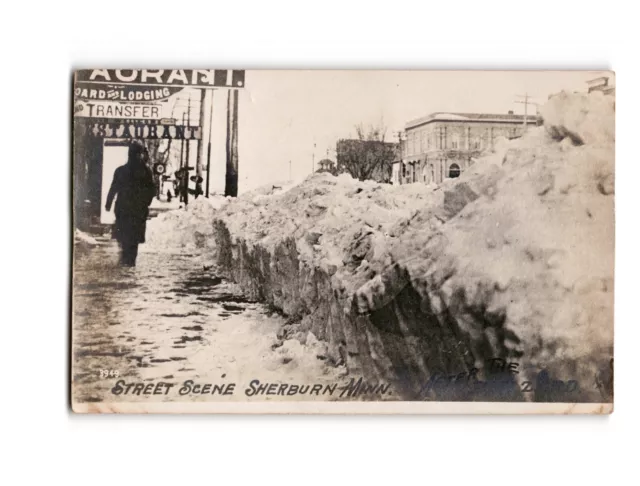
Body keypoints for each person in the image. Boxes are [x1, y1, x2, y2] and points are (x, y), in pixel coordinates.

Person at [105, 140, 156, 266]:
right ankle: (130, 261)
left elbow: (113, 188)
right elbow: (152, 190)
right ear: (139, 154)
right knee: (134, 239)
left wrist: (108, 204)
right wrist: (146, 203)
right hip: (138, 211)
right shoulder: (146, 171)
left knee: (124, 236)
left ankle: (125, 259)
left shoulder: (121, 170)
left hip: (123, 209)